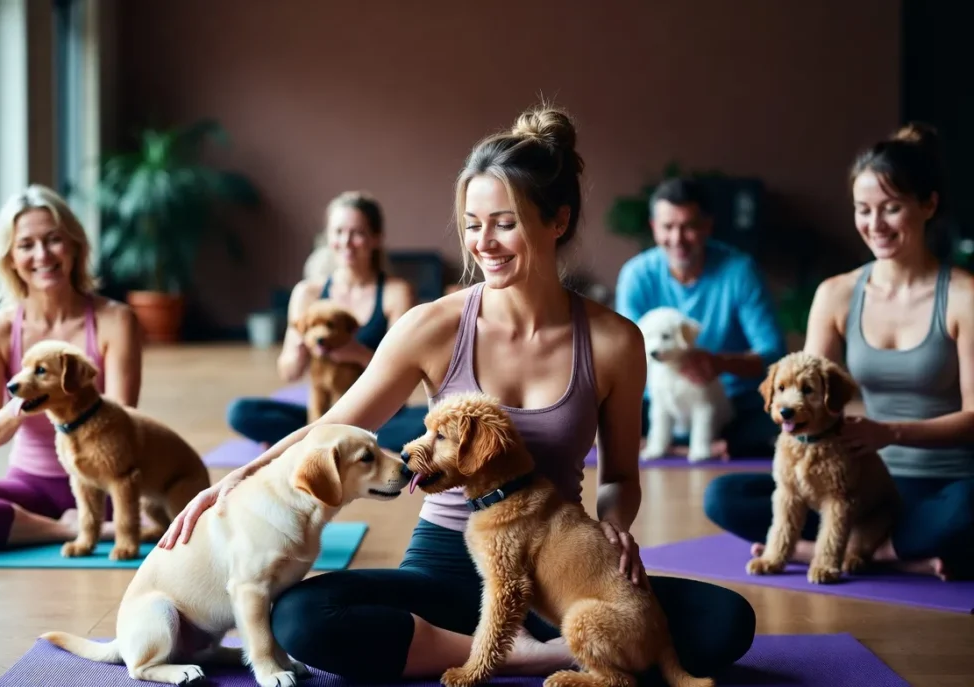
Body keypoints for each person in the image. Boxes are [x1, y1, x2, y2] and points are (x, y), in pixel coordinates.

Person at [161, 106, 756, 683]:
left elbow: (622, 474)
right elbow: (330, 428)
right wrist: (233, 481)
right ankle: (525, 655)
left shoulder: (614, 341)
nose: (484, 243)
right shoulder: (433, 326)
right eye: (473, 224)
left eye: (504, 223)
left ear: (558, 220)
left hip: (561, 568)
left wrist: (614, 524)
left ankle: (543, 643)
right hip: (448, 561)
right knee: (301, 618)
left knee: (726, 622)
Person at [704, 123, 974, 580]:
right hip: (851, 479)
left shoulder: (964, 296)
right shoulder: (838, 294)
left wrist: (890, 432)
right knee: (724, 497)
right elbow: (804, 395)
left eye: (891, 208)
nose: (875, 225)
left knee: (965, 510)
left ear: (928, 205)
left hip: (942, 485)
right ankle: (886, 551)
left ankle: (850, 551)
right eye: (863, 210)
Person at [0, 184, 143, 549]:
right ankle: (69, 530)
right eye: (26, 245)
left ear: (74, 246)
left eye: (54, 240)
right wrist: (28, 399)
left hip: (101, 484)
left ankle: (81, 524)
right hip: (32, 485)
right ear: (10, 258)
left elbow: (122, 419)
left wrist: (60, 391)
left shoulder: (116, 320)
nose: (42, 255)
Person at [226, 191, 423, 450]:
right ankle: (336, 440)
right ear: (328, 237)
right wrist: (300, 349)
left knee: (428, 422)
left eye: (357, 233)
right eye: (338, 232)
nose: (346, 242)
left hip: (379, 415)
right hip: (324, 412)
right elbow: (289, 372)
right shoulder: (307, 293)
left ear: (376, 238)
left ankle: (311, 442)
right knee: (240, 412)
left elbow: (401, 374)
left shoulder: (395, 292)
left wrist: (356, 353)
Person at [614, 177, 786, 457]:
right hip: (655, 401)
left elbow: (773, 354)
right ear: (654, 227)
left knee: (782, 413)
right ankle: (699, 447)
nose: (677, 239)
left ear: (707, 226)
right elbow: (625, 352)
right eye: (668, 227)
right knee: (593, 412)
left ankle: (674, 447)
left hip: (730, 403)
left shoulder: (740, 271)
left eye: (689, 226)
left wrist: (720, 363)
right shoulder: (636, 274)